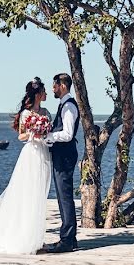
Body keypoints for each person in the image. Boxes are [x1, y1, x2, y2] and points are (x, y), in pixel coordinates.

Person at [0, 77, 52, 254]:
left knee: (40, 195)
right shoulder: (26, 114)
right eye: (44, 91)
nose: (46, 94)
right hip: (31, 154)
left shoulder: (46, 112)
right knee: (28, 194)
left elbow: (50, 131)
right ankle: (24, 238)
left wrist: (44, 131)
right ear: (38, 94)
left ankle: (37, 238)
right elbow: (21, 136)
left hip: (44, 154)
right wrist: (34, 132)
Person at [40, 72, 79, 253]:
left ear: (62, 86)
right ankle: (70, 238)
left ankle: (67, 240)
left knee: (65, 197)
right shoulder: (64, 105)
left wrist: (49, 136)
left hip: (65, 157)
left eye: (55, 86)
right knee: (63, 197)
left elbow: (68, 134)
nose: (53, 89)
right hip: (61, 156)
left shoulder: (69, 107)